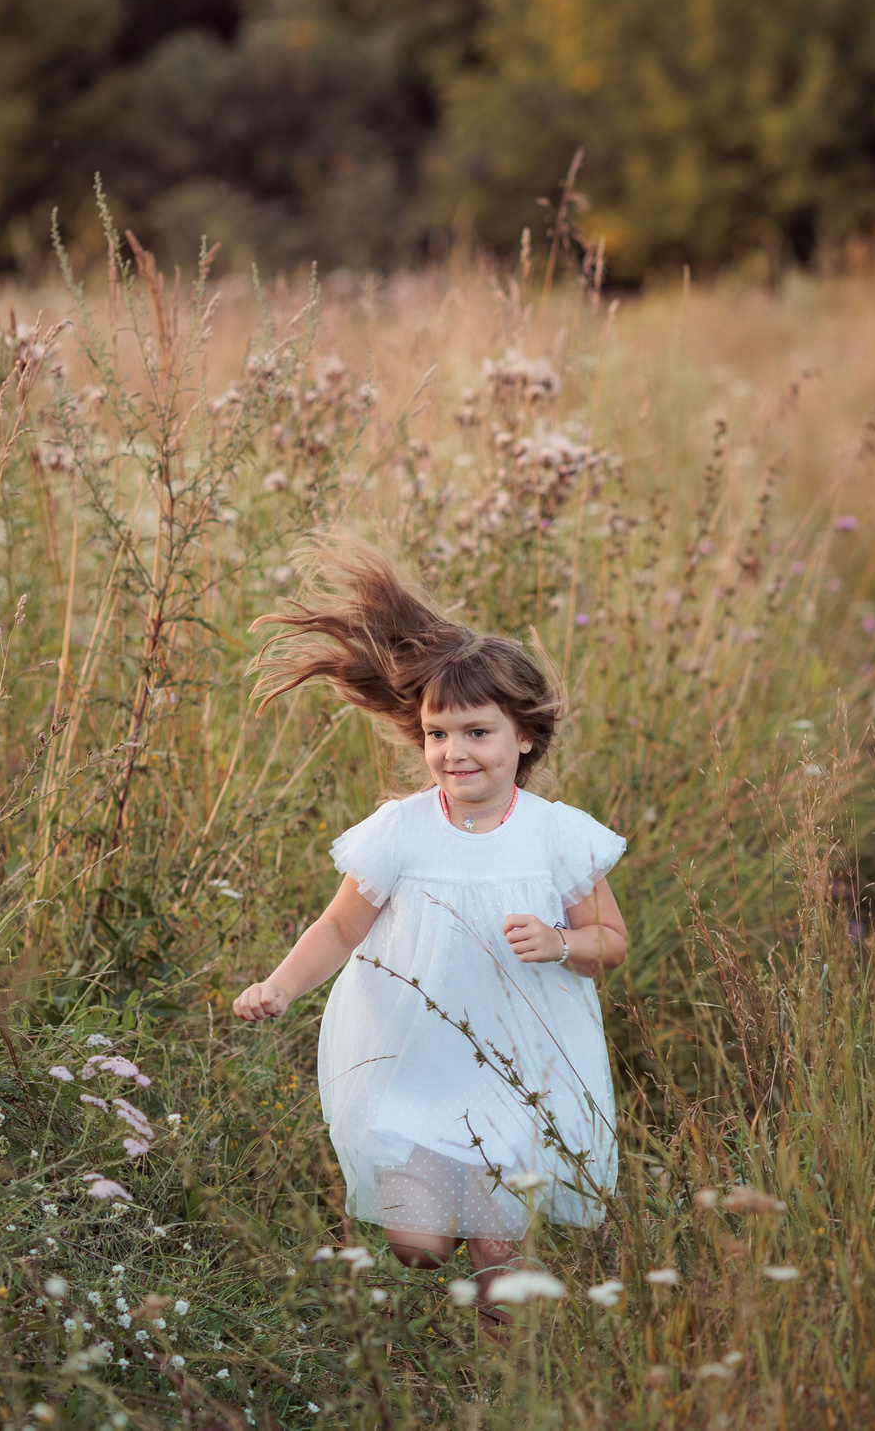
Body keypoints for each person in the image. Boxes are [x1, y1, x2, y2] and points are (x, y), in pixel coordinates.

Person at [230, 537, 629, 1313]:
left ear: (525, 736)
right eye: (438, 734)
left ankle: (509, 1360)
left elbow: (609, 942)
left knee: (496, 1258)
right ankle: (454, 1228)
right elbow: (341, 928)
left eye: (477, 732)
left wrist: (562, 942)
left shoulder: (557, 835)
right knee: (417, 1246)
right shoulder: (401, 830)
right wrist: (278, 986)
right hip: (417, 1055)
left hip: (520, 1061)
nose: (454, 753)